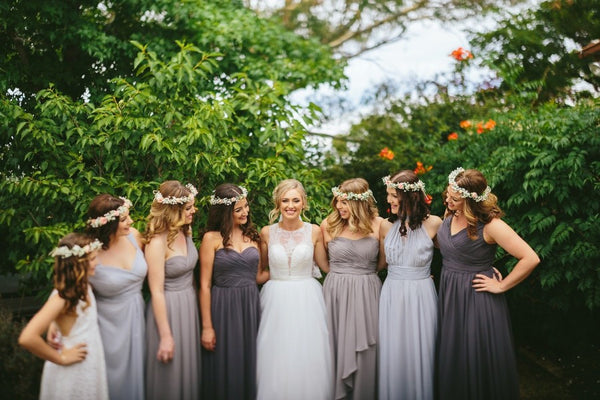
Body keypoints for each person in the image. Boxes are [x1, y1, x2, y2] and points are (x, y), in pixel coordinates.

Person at [437, 167, 540, 399]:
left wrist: (501, 285)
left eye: (454, 198)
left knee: (474, 353)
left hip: (476, 297)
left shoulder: (492, 226)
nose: (448, 200)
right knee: (455, 353)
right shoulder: (450, 215)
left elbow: (530, 257)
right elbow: (451, 248)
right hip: (450, 293)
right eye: (448, 194)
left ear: (471, 201)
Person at [256, 179, 333, 400]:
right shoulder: (267, 233)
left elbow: (326, 267)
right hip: (275, 298)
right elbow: (260, 272)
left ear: (303, 203)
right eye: (285, 200)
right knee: (275, 352)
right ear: (278, 204)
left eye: (295, 200)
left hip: (307, 298)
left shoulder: (315, 231)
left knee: (307, 352)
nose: (290, 205)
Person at [19, 233, 108, 400]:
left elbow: (67, 318)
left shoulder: (83, 287)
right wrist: (61, 358)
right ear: (77, 264)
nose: (98, 263)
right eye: (93, 259)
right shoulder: (63, 297)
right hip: (72, 367)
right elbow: (27, 337)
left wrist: (55, 323)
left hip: (90, 363)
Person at [378, 170, 442, 400]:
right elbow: (378, 263)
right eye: (388, 194)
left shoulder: (434, 223)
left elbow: (456, 253)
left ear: (410, 196)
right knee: (394, 350)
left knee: (421, 349)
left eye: (393, 195)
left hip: (421, 295)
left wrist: (482, 266)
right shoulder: (385, 226)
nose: (388, 200)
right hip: (392, 293)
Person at [320, 178, 384, 400]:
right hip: (336, 292)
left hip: (367, 290)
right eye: (338, 202)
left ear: (359, 203)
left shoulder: (379, 225)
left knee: (367, 347)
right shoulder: (328, 225)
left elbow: (383, 262)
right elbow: (324, 264)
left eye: (344, 203)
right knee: (334, 345)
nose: (339, 207)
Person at [199, 183, 263, 399]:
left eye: (246, 207)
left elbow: (259, 277)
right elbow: (205, 285)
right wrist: (207, 327)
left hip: (251, 305)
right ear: (226, 212)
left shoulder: (254, 237)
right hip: (223, 307)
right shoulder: (211, 239)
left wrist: (289, 271)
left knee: (251, 360)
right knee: (226, 361)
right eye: (238, 209)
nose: (245, 212)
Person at [85, 194, 147, 400]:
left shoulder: (135, 236)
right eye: (123, 219)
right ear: (108, 224)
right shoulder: (89, 253)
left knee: (138, 377)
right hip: (107, 326)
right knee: (111, 381)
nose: (131, 221)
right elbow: (73, 292)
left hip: (138, 318)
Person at [144, 180, 201, 400]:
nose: (193, 211)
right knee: (170, 375)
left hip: (188, 307)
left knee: (188, 372)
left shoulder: (186, 232)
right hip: (167, 310)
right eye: (188, 208)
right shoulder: (156, 243)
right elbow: (156, 290)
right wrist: (166, 336)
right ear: (173, 210)